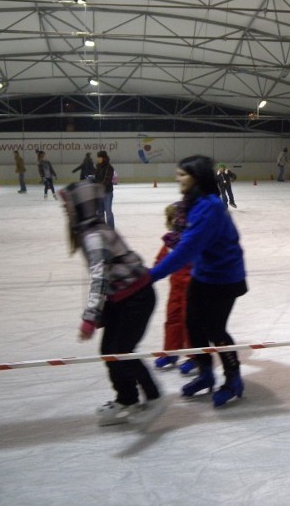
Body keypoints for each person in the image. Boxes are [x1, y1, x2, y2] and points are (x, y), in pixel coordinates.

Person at [60, 180, 162, 426]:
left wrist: (90, 317)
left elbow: (99, 277)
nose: (66, 211)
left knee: (121, 351)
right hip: (123, 298)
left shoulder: (93, 235)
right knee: (110, 352)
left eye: (68, 207)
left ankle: (154, 397)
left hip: (137, 297)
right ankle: (127, 399)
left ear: (79, 207)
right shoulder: (92, 229)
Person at [148, 155, 248, 408]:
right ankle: (205, 374)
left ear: (197, 177)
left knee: (215, 329)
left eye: (182, 174)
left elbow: (186, 250)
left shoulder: (211, 207)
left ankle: (233, 379)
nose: (177, 178)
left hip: (225, 278)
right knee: (192, 325)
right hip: (203, 274)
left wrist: (150, 277)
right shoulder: (195, 202)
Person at [152, 201, 195, 373]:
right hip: (176, 288)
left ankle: (195, 355)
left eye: (170, 218)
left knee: (190, 321)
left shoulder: (194, 240)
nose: (168, 222)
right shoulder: (171, 240)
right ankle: (171, 351)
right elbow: (160, 261)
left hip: (193, 288)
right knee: (173, 317)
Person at [94, 150, 115, 228]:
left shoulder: (109, 168)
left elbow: (107, 180)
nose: (97, 159)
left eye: (99, 157)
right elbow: (96, 179)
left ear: (103, 158)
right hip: (99, 193)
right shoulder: (97, 167)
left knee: (108, 212)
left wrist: (98, 187)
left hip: (107, 193)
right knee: (100, 212)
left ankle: (110, 229)